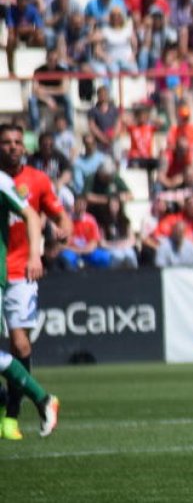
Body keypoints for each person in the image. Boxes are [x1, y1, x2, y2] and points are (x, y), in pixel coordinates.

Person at [0, 124, 69, 440]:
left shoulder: (35, 181)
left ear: (24, 148)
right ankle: (30, 400)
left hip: (22, 271)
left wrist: (38, 254)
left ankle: (12, 414)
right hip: (4, 269)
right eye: (6, 142)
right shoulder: (3, 180)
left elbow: (55, 215)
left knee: (20, 343)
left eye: (18, 142)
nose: (13, 147)